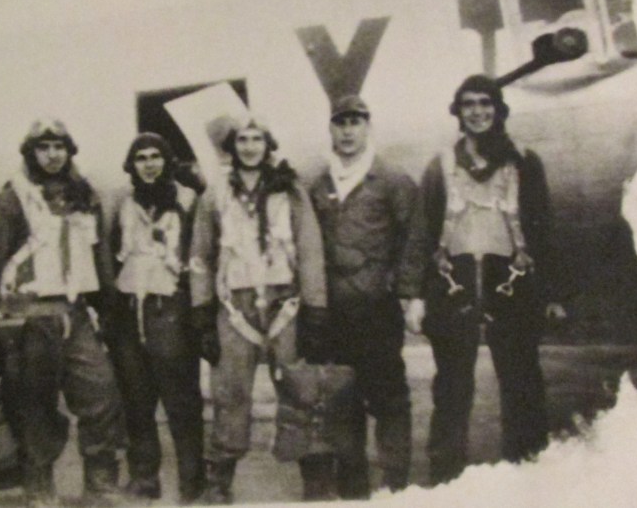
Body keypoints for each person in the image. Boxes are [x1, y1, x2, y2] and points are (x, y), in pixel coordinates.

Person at [0, 118, 126, 508]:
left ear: (69, 151)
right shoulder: (13, 198)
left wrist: (109, 304)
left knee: (102, 392)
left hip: (76, 312)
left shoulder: (84, 195)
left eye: (59, 147)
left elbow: (99, 252)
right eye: (44, 148)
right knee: (36, 404)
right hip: (32, 315)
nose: (53, 155)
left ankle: (101, 483)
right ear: (31, 153)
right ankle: (39, 487)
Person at [416, 75, 554, 485]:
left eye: (485, 103)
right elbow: (424, 233)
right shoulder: (440, 165)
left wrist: (550, 293)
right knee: (452, 391)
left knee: (522, 384)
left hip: (511, 284)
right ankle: (446, 482)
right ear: (458, 112)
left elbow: (542, 229)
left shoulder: (525, 161)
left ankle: (530, 479)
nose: (477, 112)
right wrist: (418, 295)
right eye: (469, 104)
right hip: (454, 286)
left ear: (498, 109)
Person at [189, 114, 328, 505]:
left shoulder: (291, 191)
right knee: (230, 390)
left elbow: (310, 249)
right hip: (236, 307)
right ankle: (221, 479)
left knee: (300, 387)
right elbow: (200, 255)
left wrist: (316, 309)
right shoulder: (214, 195)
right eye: (242, 140)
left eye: (257, 139)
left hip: (286, 301)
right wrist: (201, 311)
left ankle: (314, 473)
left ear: (268, 146)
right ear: (232, 148)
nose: (250, 147)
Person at [308, 95, 427, 499]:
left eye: (355, 122)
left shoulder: (392, 179)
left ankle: (395, 482)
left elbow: (415, 239)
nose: (347, 131)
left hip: (376, 309)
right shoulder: (319, 183)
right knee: (343, 398)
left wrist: (408, 292)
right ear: (331, 129)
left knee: (389, 398)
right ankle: (353, 484)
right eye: (340, 123)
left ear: (367, 127)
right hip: (334, 312)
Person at [106, 132, 205, 504]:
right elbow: (113, 253)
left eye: (155, 157)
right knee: (136, 400)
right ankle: (145, 478)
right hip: (132, 311)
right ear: (132, 165)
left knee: (182, 402)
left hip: (172, 310)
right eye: (141, 158)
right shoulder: (124, 203)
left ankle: (193, 484)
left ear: (167, 162)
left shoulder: (189, 200)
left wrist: (196, 311)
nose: (149, 164)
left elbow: (200, 257)